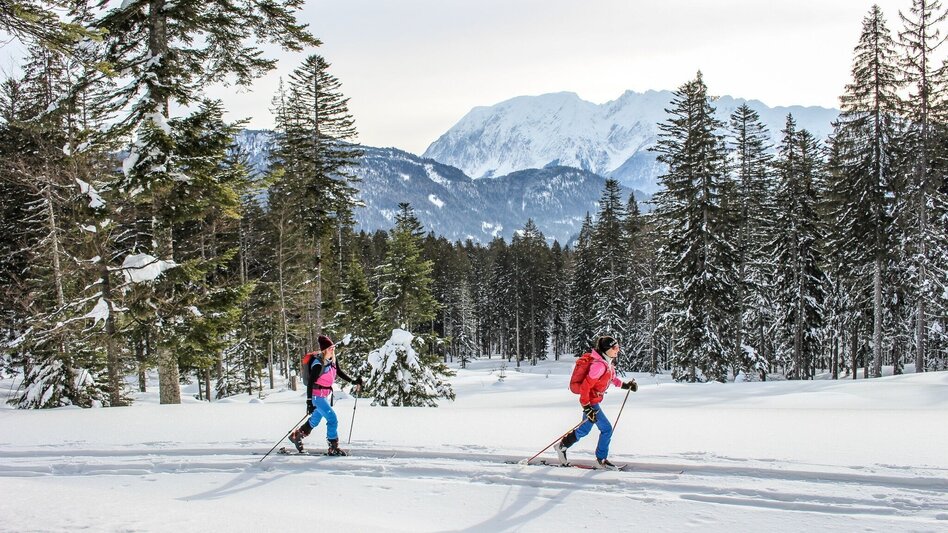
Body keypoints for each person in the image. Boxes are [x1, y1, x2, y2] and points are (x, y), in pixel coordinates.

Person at [556, 335, 637, 470]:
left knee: (585, 429)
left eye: (618, 346)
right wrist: (587, 407)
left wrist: (626, 385)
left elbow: (612, 379)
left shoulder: (607, 363)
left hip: (592, 402)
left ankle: (562, 446)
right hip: (591, 402)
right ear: (607, 349)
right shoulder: (598, 366)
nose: (618, 350)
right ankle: (601, 460)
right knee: (606, 429)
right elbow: (585, 388)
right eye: (615, 347)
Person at [289, 334, 363, 455]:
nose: (332, 350)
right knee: (332, 419)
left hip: (324, 396)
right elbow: (311, 383)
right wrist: (309, 402)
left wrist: (353, 381)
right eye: (330, 348)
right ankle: (333, 447)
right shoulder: (318, 364)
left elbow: (339, 372)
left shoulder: (332, 360)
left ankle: (296, 436)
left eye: (333, 347)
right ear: (324, 350)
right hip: (316, 396)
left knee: (315, 419)